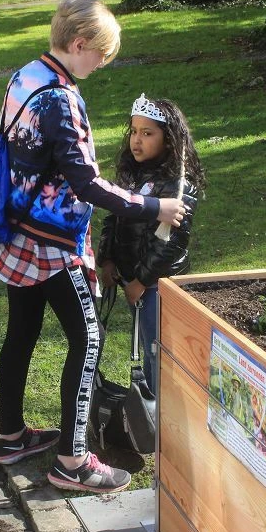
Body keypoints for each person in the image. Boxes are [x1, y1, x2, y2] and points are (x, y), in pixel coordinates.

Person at [0, 0, 185, 493]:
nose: (102, 64)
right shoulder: (61, 97)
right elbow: (87, 184)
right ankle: (72, 462)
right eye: (101, 54)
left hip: (16, 229)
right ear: (79, 44)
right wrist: (153, 207)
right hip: (52, 243)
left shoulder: (25, 75)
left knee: (22, 331)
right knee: (89, 338)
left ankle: (11, 436)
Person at [98, 95, 204, 395]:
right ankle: (147, 405)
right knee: (147, 343)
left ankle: (157, 407)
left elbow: (171, 242)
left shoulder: (178, 185)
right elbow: (113, 218)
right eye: (134, 131)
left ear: (168, 140)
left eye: (147, 133)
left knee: (158, 350)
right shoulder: (132, 174)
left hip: (157, 285)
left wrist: (141, 281)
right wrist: (108, 259)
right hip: (131, 277)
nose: (137, 140)